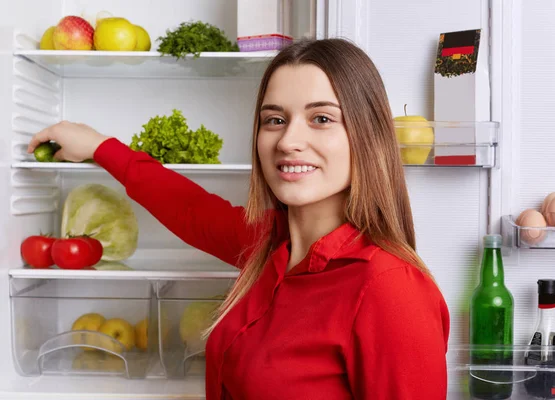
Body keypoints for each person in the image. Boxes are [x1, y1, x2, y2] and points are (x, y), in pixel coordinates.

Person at [28, 38, 450, 399]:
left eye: (321, 118)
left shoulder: (388, 289)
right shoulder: (270, 244)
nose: (289, 140)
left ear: (367, 135)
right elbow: (190, 209)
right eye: (274, 120)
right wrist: (100, 146)